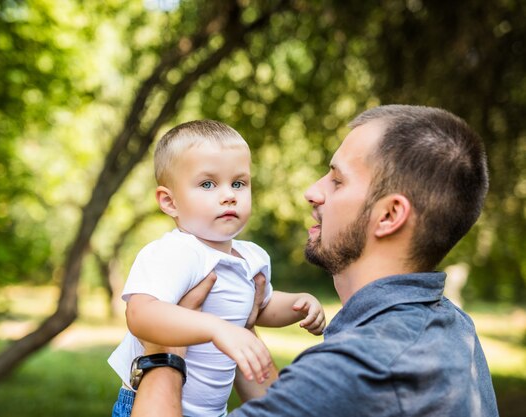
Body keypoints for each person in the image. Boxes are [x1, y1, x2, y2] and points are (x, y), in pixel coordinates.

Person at [129, 105, 500, 417]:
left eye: (337, 181)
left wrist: (163, 353)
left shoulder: (356, 371)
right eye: (208, 184)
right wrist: (237, 324)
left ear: (388, 216)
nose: (312, 192)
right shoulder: (454, 328)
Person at [108, 120, 326, 417]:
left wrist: (299, 305)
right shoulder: (176, 252)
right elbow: (140, 314)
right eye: (207, 184)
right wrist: (215, 329)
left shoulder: (252, 257)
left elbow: (259, 308)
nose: (229, 195)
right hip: (147, 404)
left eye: (238, 183)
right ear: (170, 202)